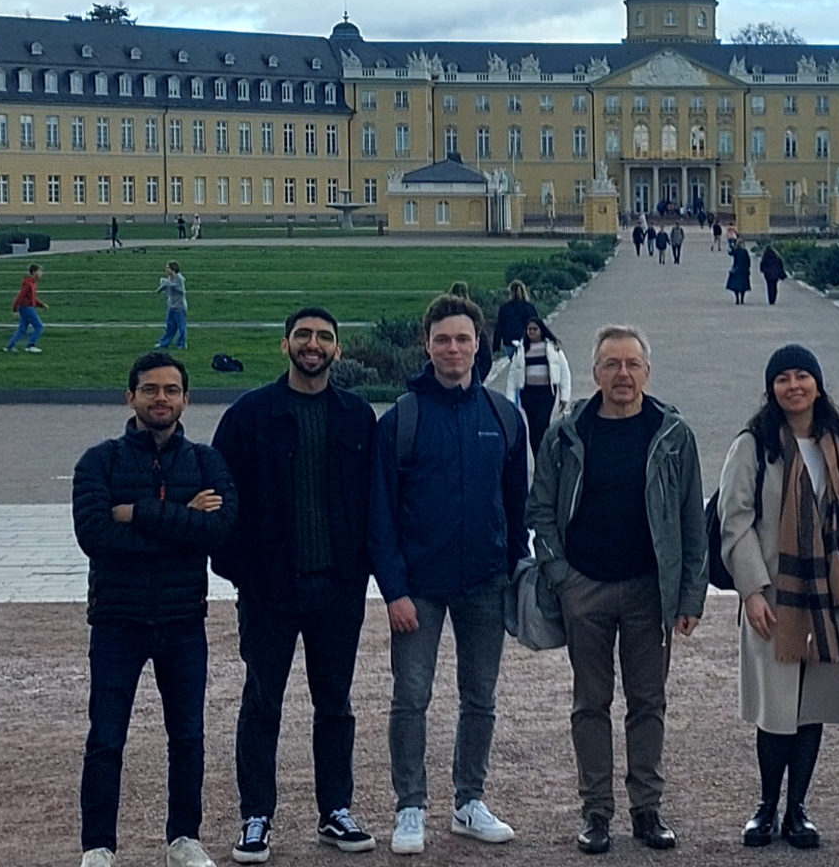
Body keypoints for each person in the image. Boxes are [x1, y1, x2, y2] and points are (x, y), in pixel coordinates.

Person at [526, 325, 706, 854]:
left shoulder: (673, 435)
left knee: (648, 702)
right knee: (590, 703)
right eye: (611, 364)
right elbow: (541, 510)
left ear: (647, 372)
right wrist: (561, 577)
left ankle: (646, 809)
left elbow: (691, 522)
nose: (622, 374)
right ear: (595, 372)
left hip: (650, 589)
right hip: (585, 588)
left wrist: (689, 596)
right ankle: (596, 811)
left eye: (632, 364)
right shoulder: (566, 434)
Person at [210, 308, 381, 863]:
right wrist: (242, 570)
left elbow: (373, 501)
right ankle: (256, 815)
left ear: (338, 348)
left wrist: (358, 570)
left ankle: (335, 809)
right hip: (270, 590)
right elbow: (223, 500)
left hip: (336, 588)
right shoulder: (249, 416)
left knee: (336, 704)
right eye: (304, 336)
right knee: (263, 702)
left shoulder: (357, 416)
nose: (314, 345)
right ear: (286, 344)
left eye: (324, 337)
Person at [369, 293, 531, 855]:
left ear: (478, 345)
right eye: (443, 339)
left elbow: (517, 505)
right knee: (411, 697)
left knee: (479, 697)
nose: (453, 348)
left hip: (485, 582)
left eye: (463, 339)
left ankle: (469, 800)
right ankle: (410, 805)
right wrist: (394, 590)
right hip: (420, 587)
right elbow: (380, 514)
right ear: (427, 345)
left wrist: (513, 567)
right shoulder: (403, 419)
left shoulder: (503, 416)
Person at [72, 352, 239, 867]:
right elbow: (96, 537)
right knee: (106, 737)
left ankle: (183, 838)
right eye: (150, 390)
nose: (160, 399)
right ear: (131, 397)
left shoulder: (207, 461)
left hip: (182, 620)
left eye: (171, 390)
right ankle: (98, 845)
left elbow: (218, 532)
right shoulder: (98, 461)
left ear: (186, 399)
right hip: (118, 621)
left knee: (187, 735)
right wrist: (178, 521)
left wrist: (138, 514)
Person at [719, 345, 839, 852]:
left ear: (817, 384)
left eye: (802, 376)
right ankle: (766, 805)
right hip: (775, 595)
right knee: (776, 710)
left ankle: (798, 807)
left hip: (827, 595)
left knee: (811, 706)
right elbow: (735, 521)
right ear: (771, 388)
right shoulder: (754, 445)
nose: (793, 386)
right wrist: (752, 590)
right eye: (783, 378)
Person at [505, 316, 574, 457]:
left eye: (535, 329)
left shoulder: (552, 348)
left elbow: (564, 371)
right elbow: (513, 375)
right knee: (532, 427)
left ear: (541, 330)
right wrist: (510, 400)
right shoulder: (522, 350)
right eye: (529, 329)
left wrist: (564, 396)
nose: (532, 332)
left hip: (546, 393)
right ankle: (538, 458)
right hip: (528, 393)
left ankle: (545, 456)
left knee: (542, 425)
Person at [493, 280, 540, 361]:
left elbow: (499, 327)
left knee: (515, 366)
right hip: (527, 341)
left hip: (509, 342)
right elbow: (537, 325)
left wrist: (495, 347)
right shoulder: (530, 307)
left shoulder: (504, 308)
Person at [6, 264, 47, 353]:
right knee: (39, 326)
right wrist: (15, 309)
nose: (41, 274)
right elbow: (20, 296)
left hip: (26, 307)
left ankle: (10, 346)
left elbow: (30, 298)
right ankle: (30, 345)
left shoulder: (32, 283)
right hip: (26, 308)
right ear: (34, 272)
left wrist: (40, 305)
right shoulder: (29, 284)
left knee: (22, 330)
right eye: (39, 271)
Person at [156, 261, 188, 350]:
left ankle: (181, 344)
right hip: (171, 306)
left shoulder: (179, 279)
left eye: (168, 268)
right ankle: (164, 343)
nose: (166, 270)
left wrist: (171, 285)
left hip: (179, 307)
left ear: (173, 269)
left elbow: (182, 291)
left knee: (181, 327)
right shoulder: (169, 279)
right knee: (170, 326)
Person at [727, 239, 753, 305]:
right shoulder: (744, 251)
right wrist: (748, 268)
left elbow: (730, 253)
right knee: (743, 286)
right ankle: (742, 299)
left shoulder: (736, 251)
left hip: (736, 270)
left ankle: (737, 299)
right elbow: (748, 261)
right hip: (743, 270)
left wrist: (730, 245)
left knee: (736, 286)